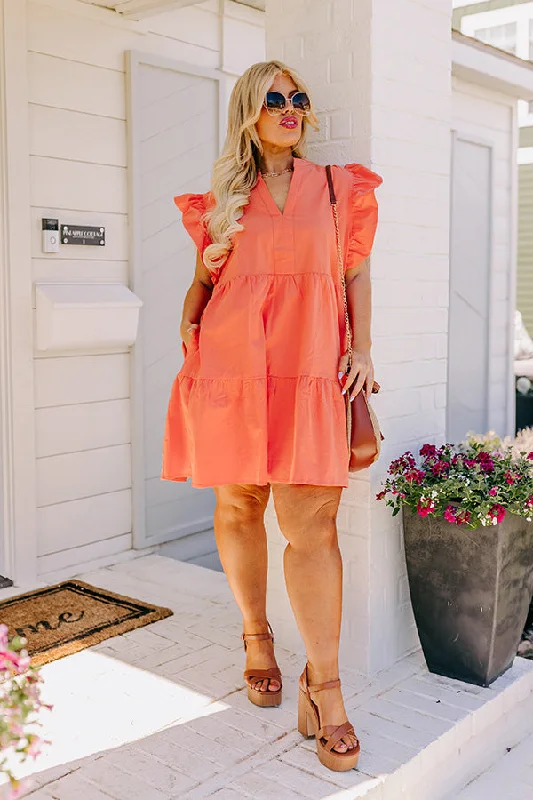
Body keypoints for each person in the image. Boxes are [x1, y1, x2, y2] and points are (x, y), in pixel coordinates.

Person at [162, 60, 382, 772]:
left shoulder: (338, 188)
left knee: (311, 525)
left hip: (312, 368)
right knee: (237, 506)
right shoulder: (221, 197)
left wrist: (364, 350)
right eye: (274, 99)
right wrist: (193, 325)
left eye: (298, 99)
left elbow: (352, 273)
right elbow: (199, 289)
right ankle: (256, 636)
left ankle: (325, 687)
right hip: (231, 368)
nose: (289, 108)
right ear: (248, 112)